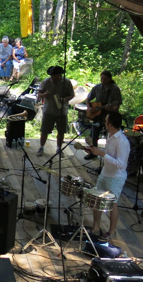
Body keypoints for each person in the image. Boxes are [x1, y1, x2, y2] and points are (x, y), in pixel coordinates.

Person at [83, 111, 129, 240]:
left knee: (111, 204)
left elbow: (121, 164)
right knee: (97, 200)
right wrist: (95, 151)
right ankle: (96, 227)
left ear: (110, 124)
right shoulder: (110, 135)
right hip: (105, 173)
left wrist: (102, 154)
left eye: (106, 121)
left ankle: (111, 231)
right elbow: (108, 155)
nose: (104, 123)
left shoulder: (122, 141)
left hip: (116, 177)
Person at [36, 66, 74, 157]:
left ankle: (59, 148)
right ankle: (41, 147)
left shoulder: (67, 82)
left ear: (60, 75)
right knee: (44, 130)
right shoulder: (46, 81)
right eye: (52, 75)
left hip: (61, 111)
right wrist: (44, 94)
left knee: (61, 131)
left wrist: (64, 99)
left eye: (56, 75)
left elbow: (72, 95)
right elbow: (39, 94)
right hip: (49, 109)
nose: (54, 77)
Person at [84, 70, 122, 160]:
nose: (103, 80)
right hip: (97, 116)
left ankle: (109, 156)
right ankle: (93, 153)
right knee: (94, 135)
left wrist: (112, 108)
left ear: (110, 79)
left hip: (110, 116)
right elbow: (88, 98)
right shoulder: (97, 87)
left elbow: (117, 104)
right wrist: (89, 107)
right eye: (101, 78)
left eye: (105, 79)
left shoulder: (115, 89)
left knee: (109, 137)